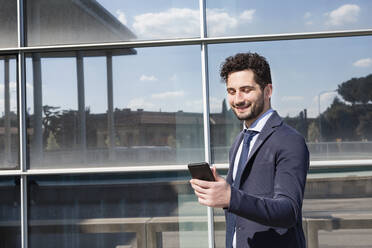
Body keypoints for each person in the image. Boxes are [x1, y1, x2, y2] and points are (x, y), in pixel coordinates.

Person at [190, 52, 309, 248]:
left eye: (246, 90)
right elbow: (240, 206)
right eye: (231, 91)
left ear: (268, 91)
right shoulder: (239, 141)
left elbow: (288, 211)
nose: (237, 99)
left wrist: (231, 196)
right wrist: (221, 191)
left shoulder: (290, 141)